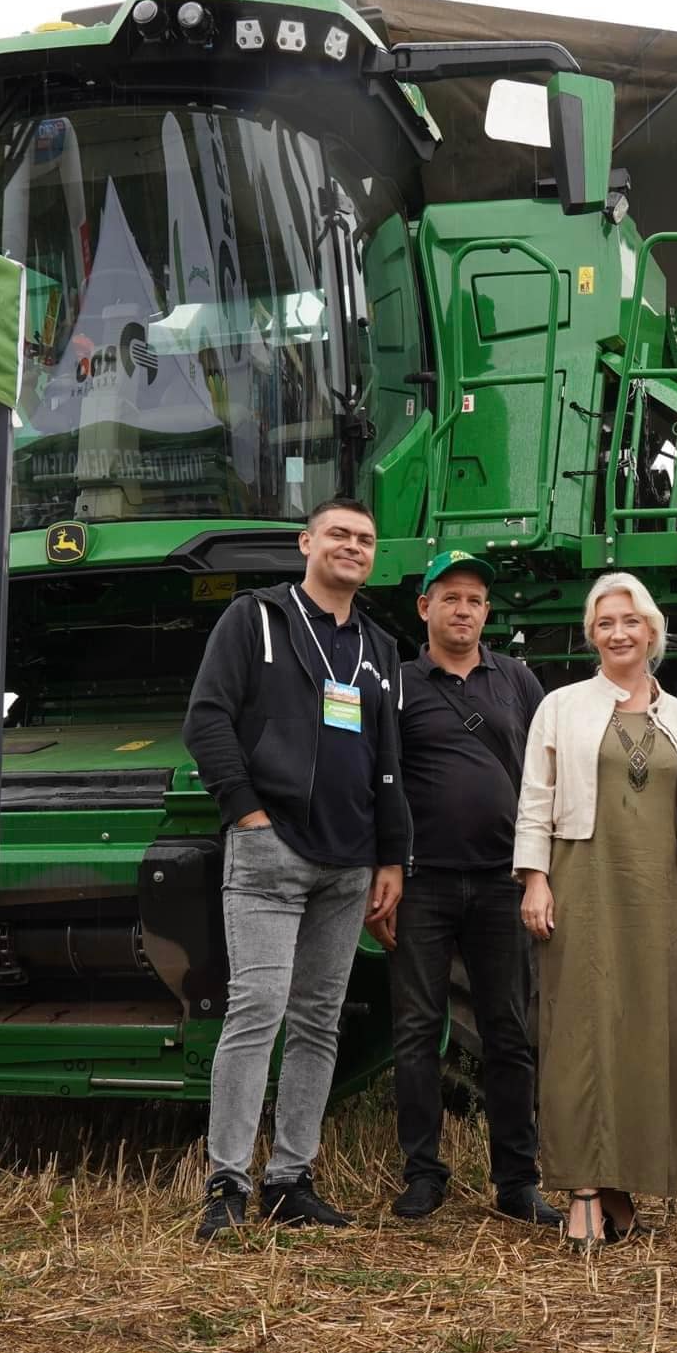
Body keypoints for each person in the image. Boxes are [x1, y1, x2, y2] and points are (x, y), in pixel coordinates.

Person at [181, 498, 407, 1239]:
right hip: (271, 853)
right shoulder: (256, 621)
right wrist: (246, 811)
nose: (353, 546)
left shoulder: (379, 646)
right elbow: (207, 717)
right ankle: (226, 1183)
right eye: (339, 534)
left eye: (365, 540)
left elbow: (387, 763)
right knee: (256, 1014)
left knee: (318, 1022)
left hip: (349, 865)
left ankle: (290, 1179)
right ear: (307, 543)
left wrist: (390, 857)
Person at [513, 573, 677, 1249]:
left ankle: (622, 1188)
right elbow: (535, 800)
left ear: (651, 630)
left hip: (660, 892)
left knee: (646, 1036)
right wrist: (535, 881)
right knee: (580, 1034)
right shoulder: (562, 707)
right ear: (591, 633)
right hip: (583, 880)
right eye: (605, 622)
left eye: (630, 619)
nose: (619, 631)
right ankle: (579, 1190)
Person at [382, 548, 560, 1227]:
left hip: (500, 884)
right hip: (421, 883)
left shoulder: (517, 681)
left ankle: (518, 1181)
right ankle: (423, 1175)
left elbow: (546, 775)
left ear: (487, 613)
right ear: (424, 607)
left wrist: (541, 871)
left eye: (475, 600)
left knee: (510, 1034)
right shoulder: (395, 685)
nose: (463, 609)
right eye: (449, 597)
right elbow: (379, 781)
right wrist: (384, 867)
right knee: (418, 1033)